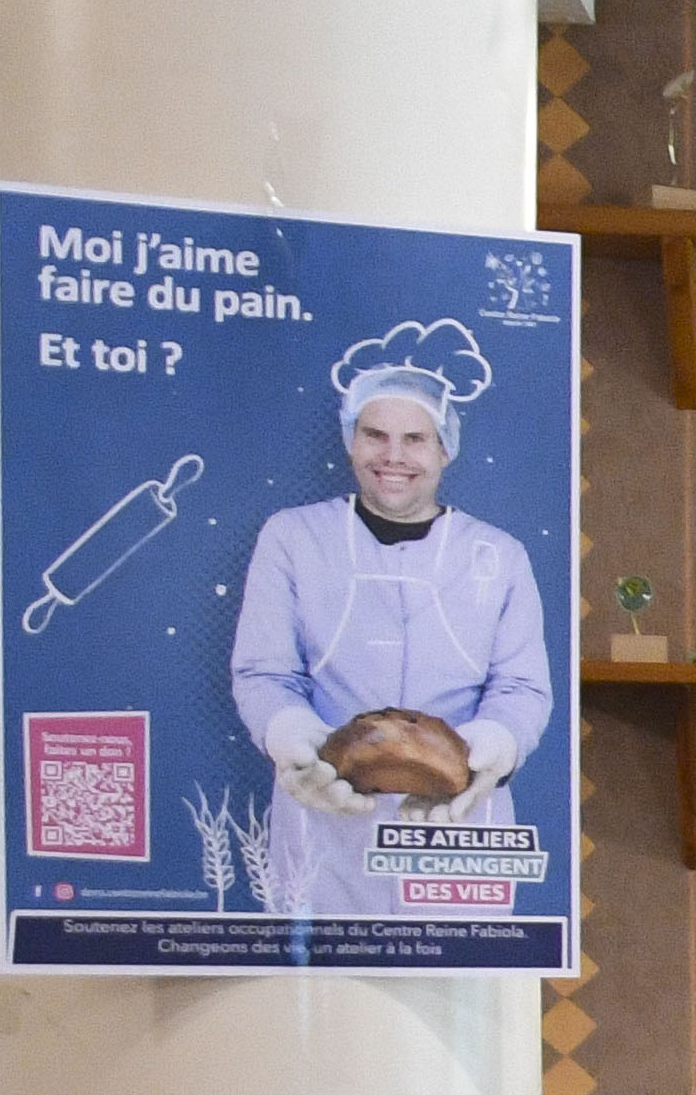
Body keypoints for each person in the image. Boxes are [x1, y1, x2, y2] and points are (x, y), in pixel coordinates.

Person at [227, 324, 556, 929]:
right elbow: (264, 673)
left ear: (444, 448)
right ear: (351, 441)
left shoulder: (499, 555)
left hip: (457, 831)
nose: (393, 456)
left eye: (415, 439)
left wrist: (487, 751)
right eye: (375, 435)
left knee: (453, 984)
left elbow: (522, 687)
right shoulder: (293, 538)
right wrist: (297, 744)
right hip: (324, 827)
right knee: (328, 980)